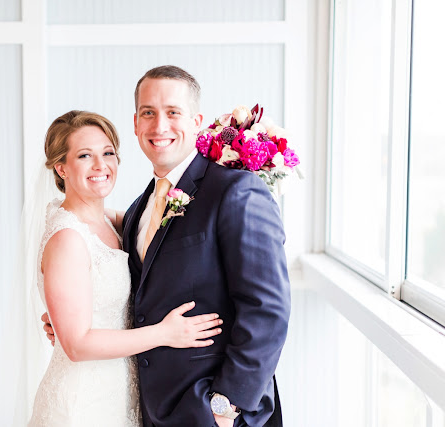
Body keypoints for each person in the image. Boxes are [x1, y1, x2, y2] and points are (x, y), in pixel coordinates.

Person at [43, 66, 291, 427]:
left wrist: (226, 406)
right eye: (148, 113)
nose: (160, 126)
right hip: (144, 407)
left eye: (173, 112)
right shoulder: (137, 210)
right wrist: (66, 312)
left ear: (197, 121)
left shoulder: (235, 191)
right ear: (136, 124)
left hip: (210, 409)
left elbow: (268, 308)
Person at [28, 110, 223, 427]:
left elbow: (160, 221)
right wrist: (165, 333)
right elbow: (76, 345)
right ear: (61, 167)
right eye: (84, 156)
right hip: (83, 405)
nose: (100, 166)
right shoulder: (67, 239)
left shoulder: (114, 221)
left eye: (107, 153)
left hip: (122, 394)